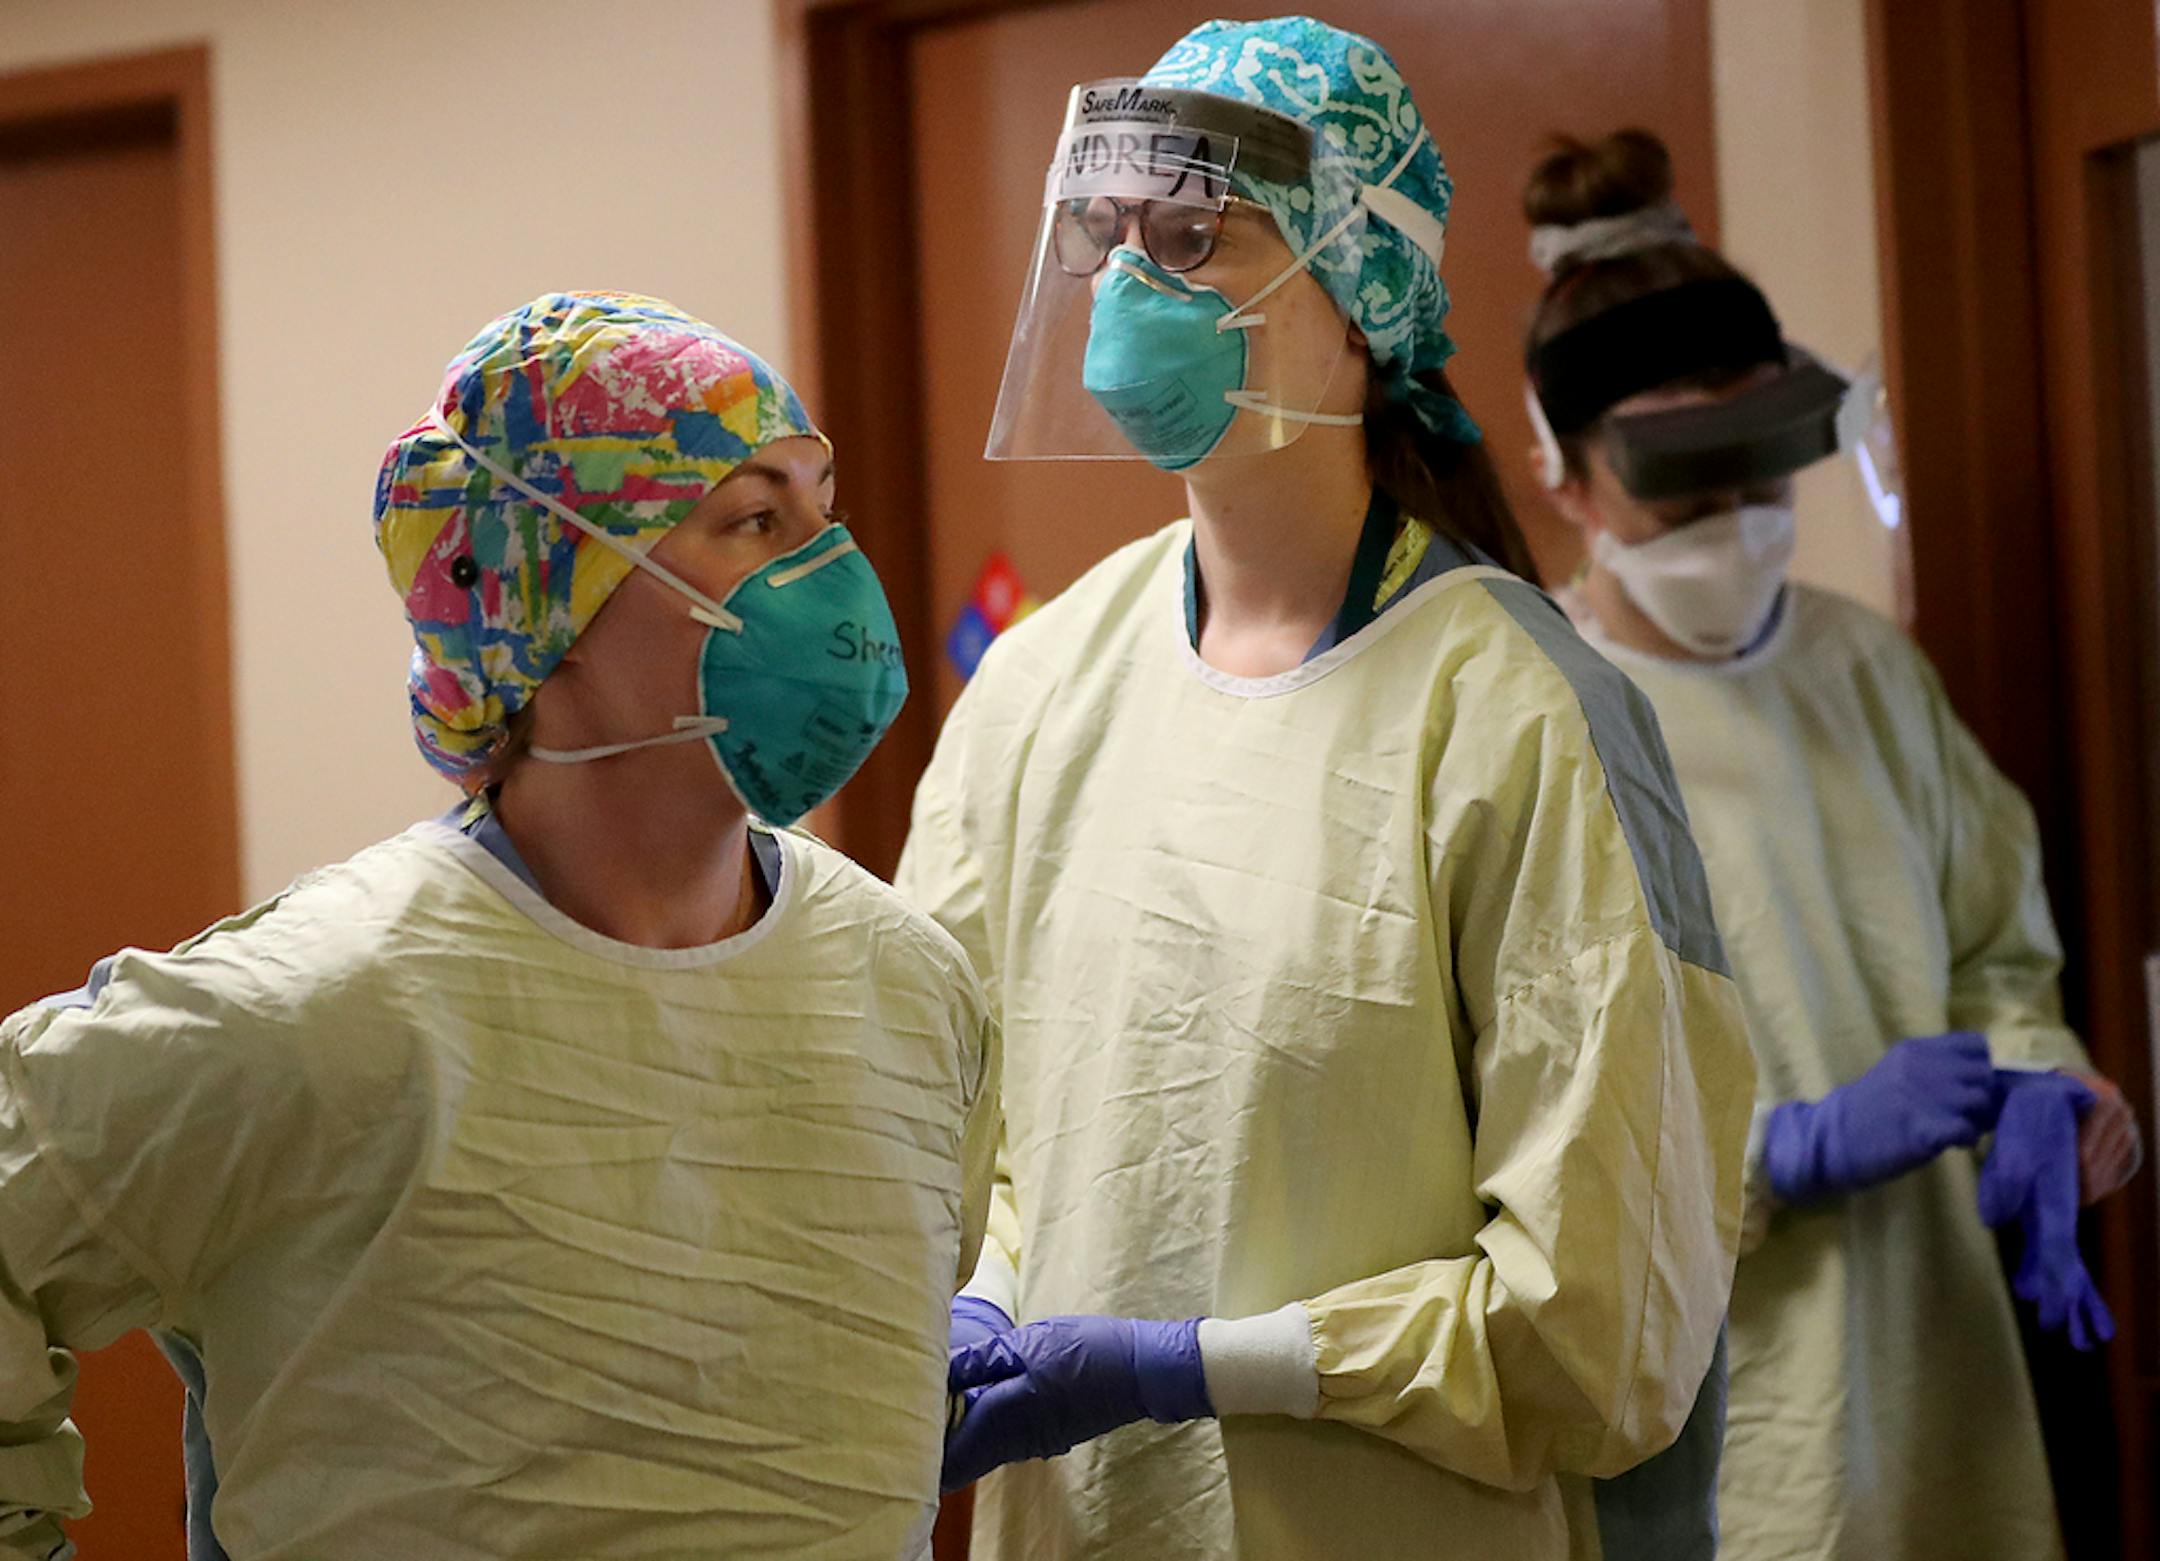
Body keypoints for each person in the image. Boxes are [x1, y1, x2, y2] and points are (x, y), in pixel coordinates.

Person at [895, 21, 1756, 1559]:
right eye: (1110, 235)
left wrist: (1200, 1368)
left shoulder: (1520, 715)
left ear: (1358, 299)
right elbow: (968, 1131)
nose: (1130, 284)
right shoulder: (1035, 692)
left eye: (1195, 237)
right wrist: (980, 1290)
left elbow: (1606, 1330)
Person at [0, 292, 997, 1560]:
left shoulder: (908, 985)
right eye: (754, 518)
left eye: (822, 506)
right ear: (543, 602)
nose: (834, 571)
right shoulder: (322, 1009)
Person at [1518, 131, 2143, 1561]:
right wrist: (1772, 1154)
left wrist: (2050, 1086)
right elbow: (1513, 1128)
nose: (1736, 526)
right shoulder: (1537, 715)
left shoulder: (1867, 671)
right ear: (1565, 478)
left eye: (1763, 473)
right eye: (1686, 484)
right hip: (1716, 1417)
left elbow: (1997, 950)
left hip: (1939, 1378)